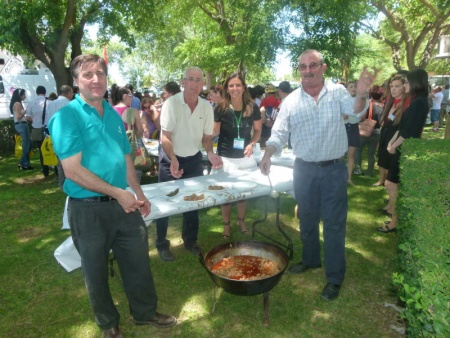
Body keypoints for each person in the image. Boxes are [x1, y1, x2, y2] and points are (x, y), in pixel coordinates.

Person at [48, 54, 176, 337]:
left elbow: (126, 159)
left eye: (100, 74)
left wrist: (139, 194)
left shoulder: (113, 113)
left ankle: (144, 312)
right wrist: (119, 193)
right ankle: (109, 324)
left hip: (125, 204)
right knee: (94, 270)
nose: (96, 79)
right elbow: (72, 170)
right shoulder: (66, 117)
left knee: (138, 261)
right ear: (75, 81)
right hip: (87, 209)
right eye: (87, 74)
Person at [259, 49, 377, 301]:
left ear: (323, 68)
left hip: (334, 169)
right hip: (303, 170)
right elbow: (279, 134)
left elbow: (355, 112)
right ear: (299, 70)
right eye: (303, 66)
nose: (308, 70)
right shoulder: (290, 101)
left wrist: (363, 93)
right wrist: (268, 152)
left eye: (313, 65)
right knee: (307, 218)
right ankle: (310, 260)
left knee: (334, 224)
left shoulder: (337, 93)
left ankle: (334, 278)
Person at [156, 66, 223, 261]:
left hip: (193, 158)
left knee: (193, 201)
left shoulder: (206, 107)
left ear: (203, 84)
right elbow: (165, 137)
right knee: (165, 201)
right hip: (171, 156)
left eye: (198, 80)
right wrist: (173, 159)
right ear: (183, 83)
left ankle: (190, 241)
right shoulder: (171, 104)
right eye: (190, 79)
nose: (194, 84)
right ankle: (161, 243)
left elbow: (207, 137)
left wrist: (210, 153)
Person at [377, 69, 429, 233]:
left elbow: (408, 131)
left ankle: (394, 221)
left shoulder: (419, 102)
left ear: (415, 83)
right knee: (392, 183)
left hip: (405, 148)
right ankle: (394, 218)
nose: (405, 85)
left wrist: (394, 145)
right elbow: (403, 127)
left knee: (391, 183)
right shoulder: (416, 100)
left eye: (406, 82)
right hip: (400, 145)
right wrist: (392, 142)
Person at [212, 73, 262, 238]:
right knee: (226, 194)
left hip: (245, 157)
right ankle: (226, 224)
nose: (235, 89)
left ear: (243, 87)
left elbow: (258, 131)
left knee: (243, 193)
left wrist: (252, 143)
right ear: (227, 88)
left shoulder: (252, 107)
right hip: (226, 157)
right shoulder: (221, 108)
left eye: (238, 85)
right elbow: (214, 132)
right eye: (231, 85)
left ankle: (241, 220)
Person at [374, 74, 409, 188]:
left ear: (404, 87)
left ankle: (390, 189)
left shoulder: (406, 104)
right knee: (382, 160)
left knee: (391, 164)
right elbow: (388, 120)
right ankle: (382, 181)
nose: (393, 89)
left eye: (397, 86)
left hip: (395, 138)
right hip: (385, 135)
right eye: (392, 86)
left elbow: (402, 126)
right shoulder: (391, 102)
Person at [45, 85, 74, 188]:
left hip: (54, 134)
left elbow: (48, 120)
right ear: (68, 93)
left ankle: (61, 181)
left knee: (59, 159)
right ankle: (68, 181)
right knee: (69, 159)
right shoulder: (69, 104)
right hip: (67, 135)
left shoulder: (51, 104)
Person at [354, 85, 384, 177]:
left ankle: (358, 169)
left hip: (364, 131)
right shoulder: (383, 106)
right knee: (372, 153)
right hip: (376, 132)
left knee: (358, 150)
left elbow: (361, 117)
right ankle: (369, 172)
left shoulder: (367, 104)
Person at [27, 85, 49, 176]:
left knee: (41, 150)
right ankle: (55, 168)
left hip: (37, 129)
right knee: (51, 148)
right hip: (48, 129)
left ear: (36, 92)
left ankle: (45, 170)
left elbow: (27, 117)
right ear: (45, 92)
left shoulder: (31, 102)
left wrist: (34, 121)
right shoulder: (49, 102)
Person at [11, 88, 34, 170]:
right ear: (20, 95)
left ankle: (25, 163)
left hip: (21, 124)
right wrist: (26, 110)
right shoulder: (17, 104)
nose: (25, 96)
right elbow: (18, 117)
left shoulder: (17, 103)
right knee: (26, 144)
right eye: (24, 94)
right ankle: (24, 163)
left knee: (27, 144)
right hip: (21, 125)